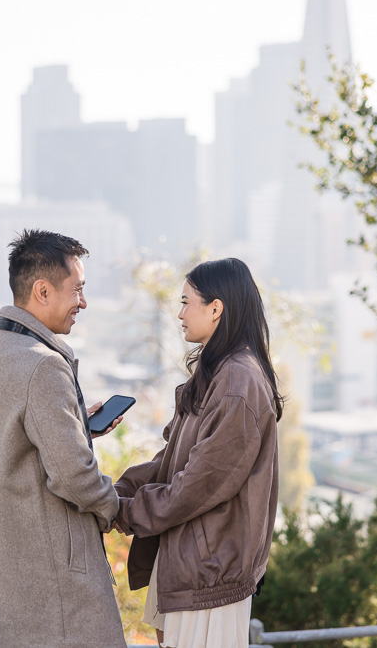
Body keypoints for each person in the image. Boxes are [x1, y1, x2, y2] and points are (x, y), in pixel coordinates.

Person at [0, 229, 127, 648]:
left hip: (6, 591)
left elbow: (6, 448)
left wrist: (72, 426)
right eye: (77, 290)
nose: (83, 302)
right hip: (57, 598)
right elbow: (74, 478)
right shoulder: (42, 367)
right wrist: (116, 508)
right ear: (42, 291)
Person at [114, 257, 282, 648]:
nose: (179, 313)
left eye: (187, 302)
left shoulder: (239, 381)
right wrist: (116, 493)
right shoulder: (217, 372)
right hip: (186, 561)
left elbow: (199, 484)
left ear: (216, 308)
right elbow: (172, 461)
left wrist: (126, 511)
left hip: (210, 572)